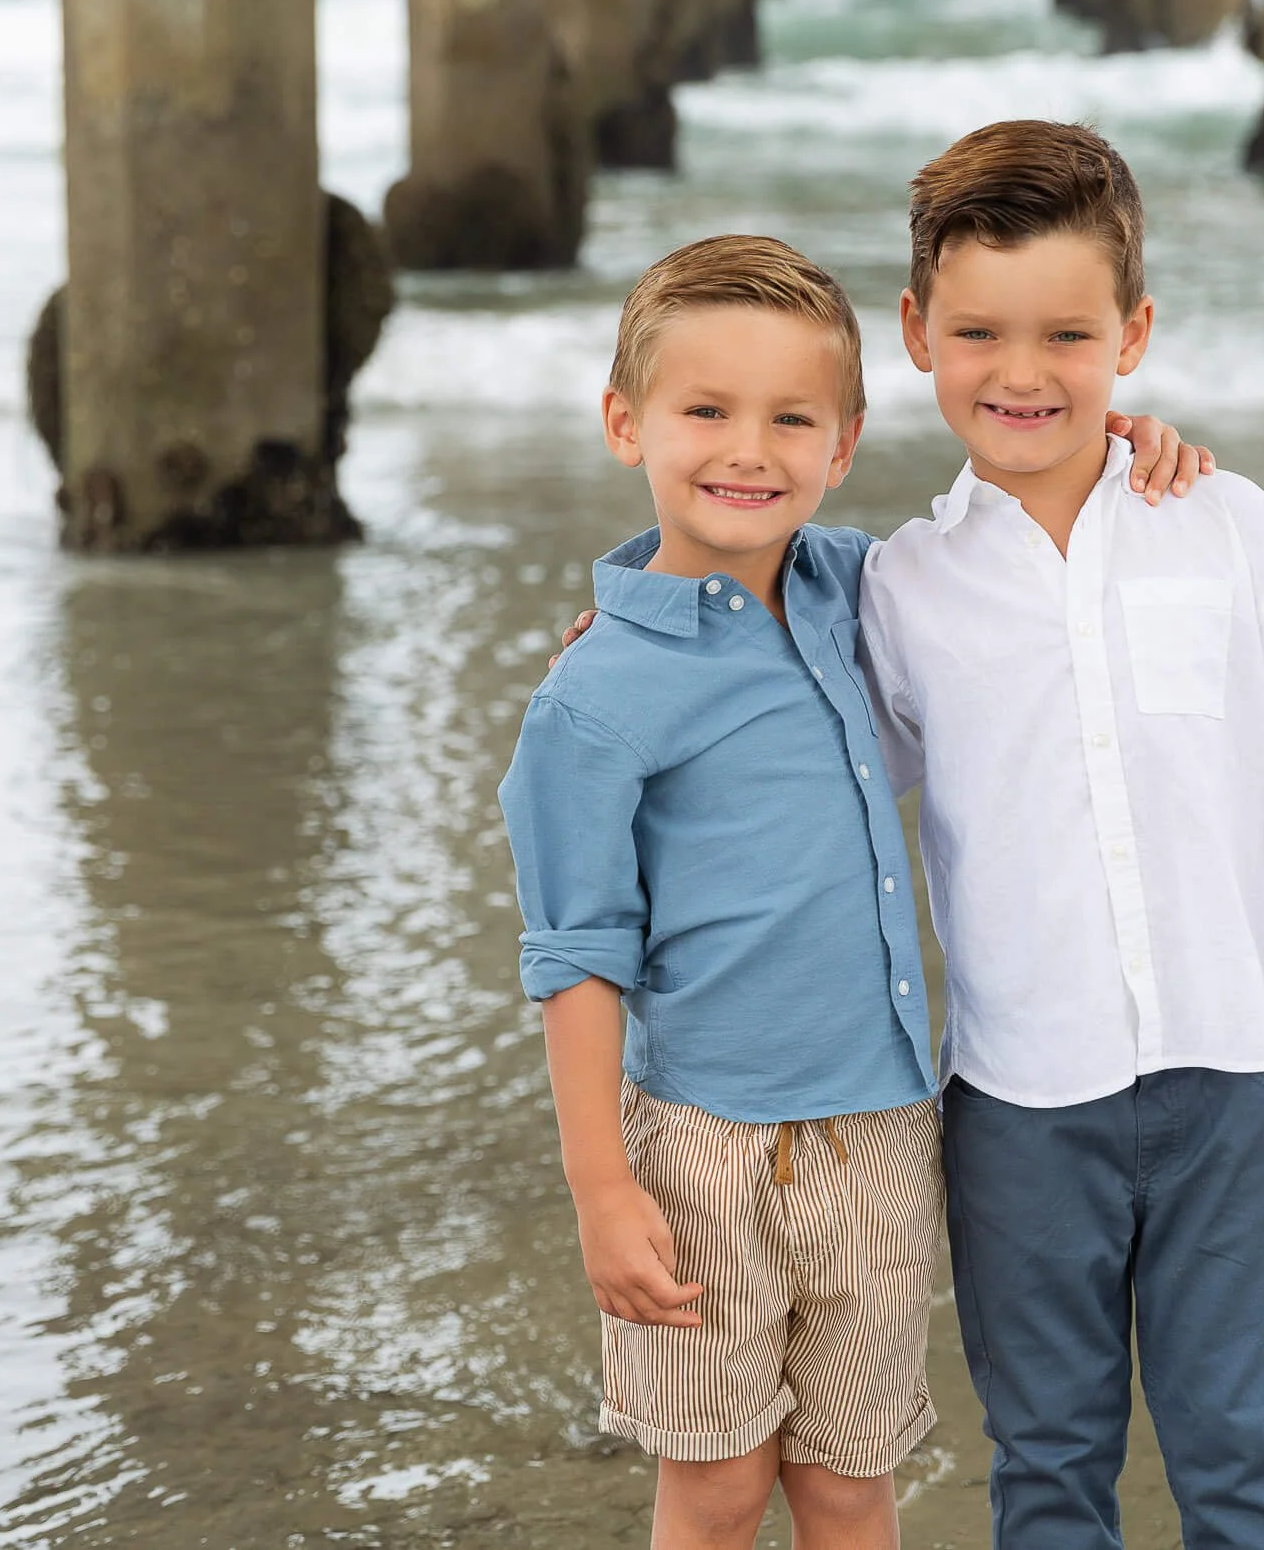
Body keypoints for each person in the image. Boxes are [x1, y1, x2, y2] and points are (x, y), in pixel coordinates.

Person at [499, 233, 1207, 1550]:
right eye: (703, 412)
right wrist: (602, 1183)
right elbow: (576, 951)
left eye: (791, 419)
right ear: (623, 423)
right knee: (714, 1485)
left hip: (881, 1129)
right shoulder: (594, 699)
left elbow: (1010, 550)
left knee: (849, 1482)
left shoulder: (855, 589)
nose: (747, 451)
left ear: (845, 441)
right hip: (704, 1143)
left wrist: (1128, 443)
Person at [858, 119, 1264, 1549]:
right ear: (916, 333)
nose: (1022, 372)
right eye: (978, 331)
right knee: (1046, 1465)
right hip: (1018, 1109)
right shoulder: (901, 588)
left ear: (1133, 333)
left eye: (1067, 333)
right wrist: (638, 631)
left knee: (1241, 1450)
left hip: (1230, 1085)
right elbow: (799, 769)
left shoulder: (1226, 526)